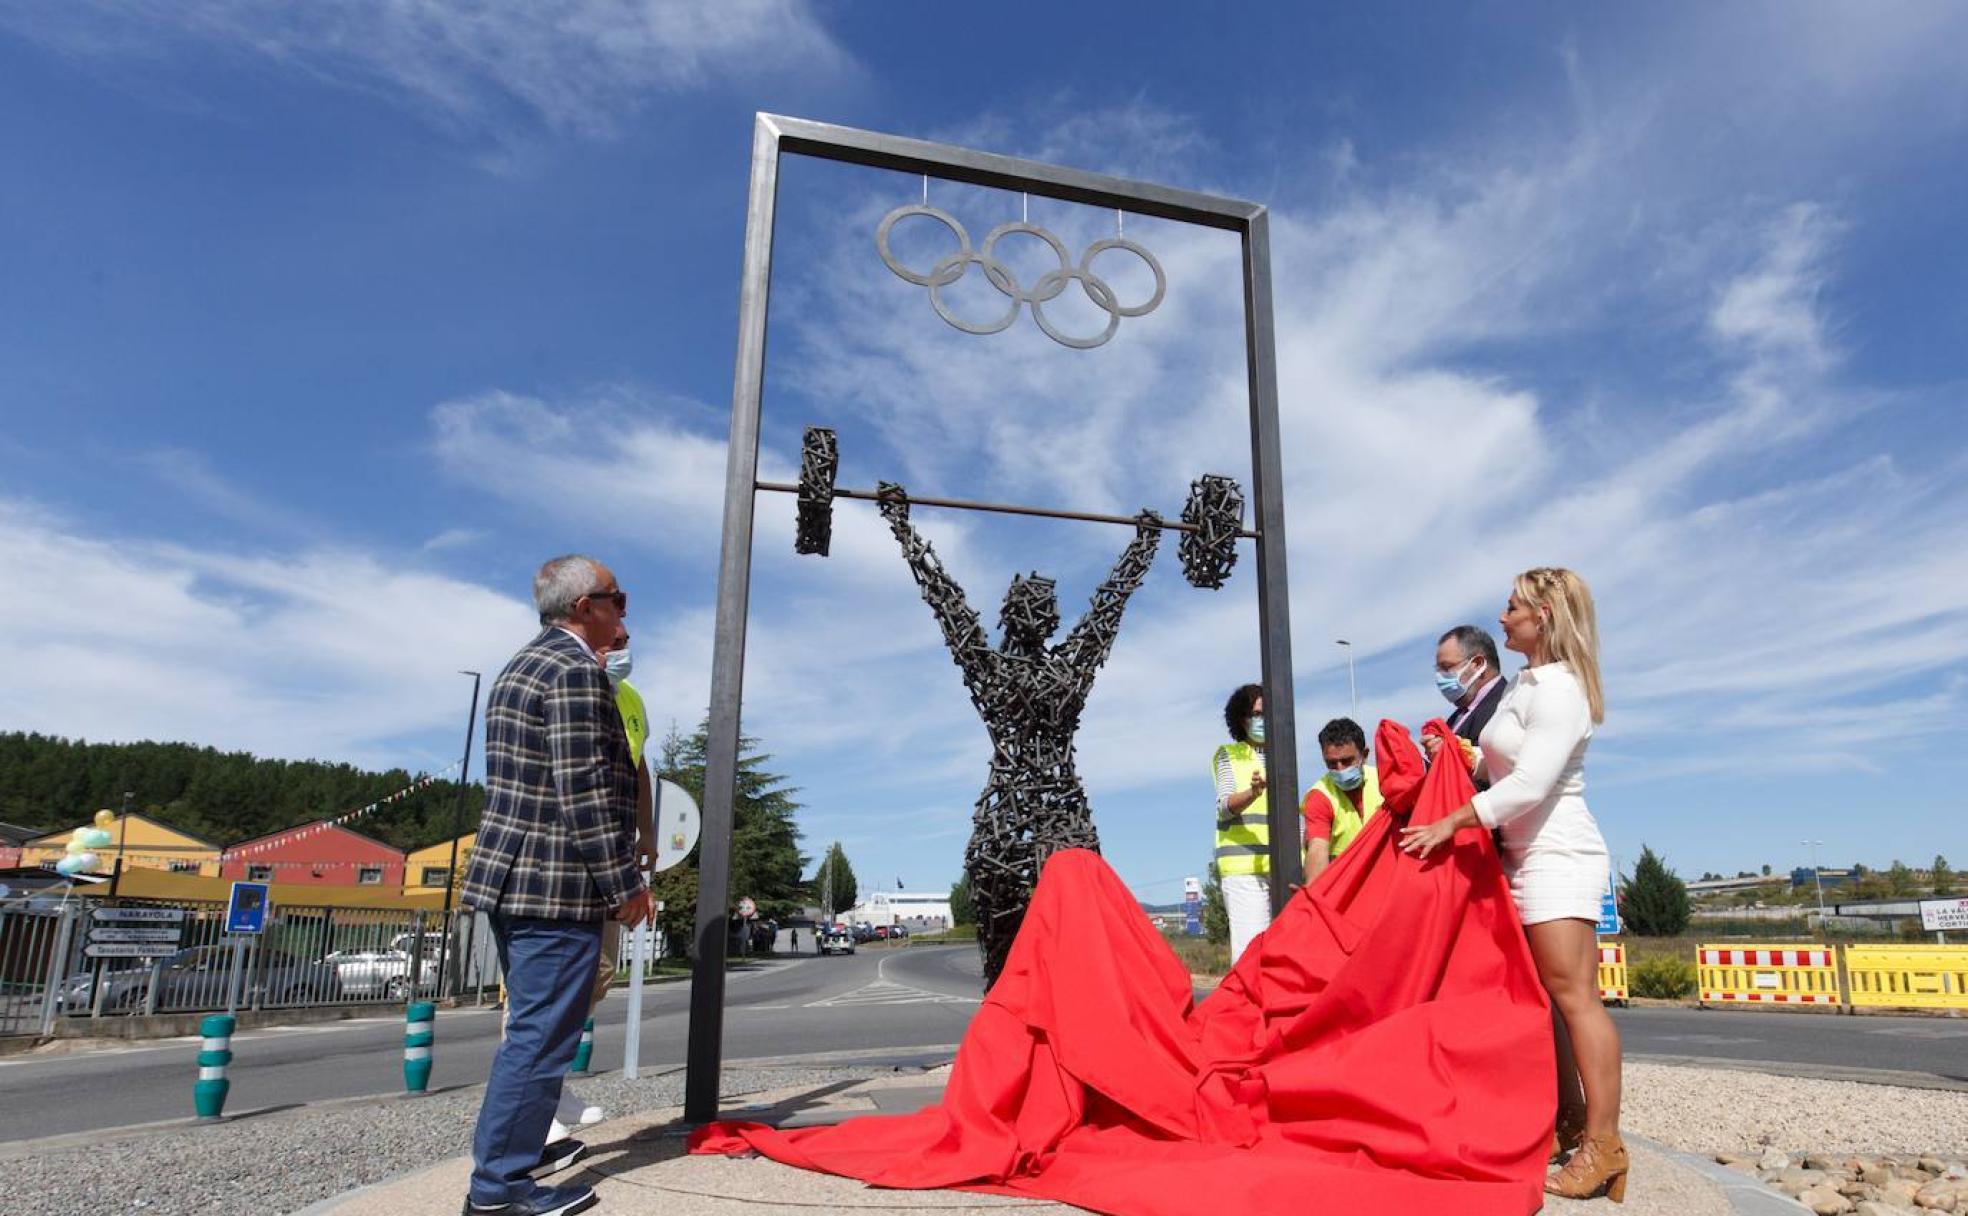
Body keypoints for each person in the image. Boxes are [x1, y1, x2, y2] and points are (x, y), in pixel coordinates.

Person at [1398, 567, 1625, 1203]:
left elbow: (1531, 785)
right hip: (1523, 857)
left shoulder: (1560, 689)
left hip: (1557, 854)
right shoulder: (1529, 682)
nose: (1503, 619)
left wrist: (1451, 822)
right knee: (1547, 1001)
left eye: (1512, 608)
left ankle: (1604, 1145)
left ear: (1544, 616)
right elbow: (1505, 762)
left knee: (1575, 998)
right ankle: (1572, 1122)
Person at [461, 554, 653, 1216]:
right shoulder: (573, 672)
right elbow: (586, 790)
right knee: (541, 1040)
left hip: (514, 877)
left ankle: (515, 1159)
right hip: (554, 886)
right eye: (616, 598)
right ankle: (499, 1192)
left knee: (531, 1035)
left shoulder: (524, 663)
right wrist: (625, 884)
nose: (624, 610)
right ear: (583, 608)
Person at [1210, 683, 1272, 961]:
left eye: (1265, 713)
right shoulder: (1229, 755)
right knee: (1251, 957)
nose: (1260, 720)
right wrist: (1253, 793)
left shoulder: (1283, 754)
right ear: (1240, 719)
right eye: (1254, 714)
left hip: (1285, 868)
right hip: (1245, 869)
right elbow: (1224, 806)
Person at [1300, 718, 1382, 883]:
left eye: (1346, 761)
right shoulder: (1319, 796)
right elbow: (1317, 848)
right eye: (1331, 764)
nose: (1340, 769)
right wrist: (1312, 896)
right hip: (1341, 884)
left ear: (1364, 756)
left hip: (1384, 879)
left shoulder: (1385, 782)